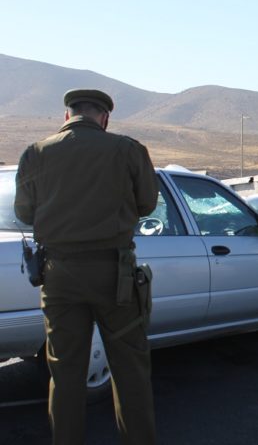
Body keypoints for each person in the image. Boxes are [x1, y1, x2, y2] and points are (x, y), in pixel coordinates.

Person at [14, 89, 158, 445]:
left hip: (59, 275)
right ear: (104, 118)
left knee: (65, 373)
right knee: (130, 371)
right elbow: (147, 204)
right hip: (116, 276)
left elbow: (24, 213)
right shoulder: (127, 150)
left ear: (67, 116)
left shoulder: (36, 153)